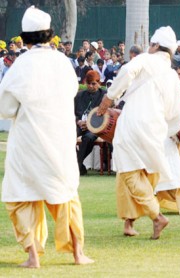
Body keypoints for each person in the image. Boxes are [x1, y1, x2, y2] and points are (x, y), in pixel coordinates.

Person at [0, 6, 93, 268]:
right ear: (49, 34)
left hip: (28, 140)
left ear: (25, 38)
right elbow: (73, 90)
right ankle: (78, 254)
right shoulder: (63, 62)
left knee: (20, 196)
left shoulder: (20, 66)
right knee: (65, 195)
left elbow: (5, 107)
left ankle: (32, 256)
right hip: (60, 137)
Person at [96, 26, 180, 239]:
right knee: (146, 173)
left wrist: (109, 97)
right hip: (157, 128)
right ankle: (129, 222)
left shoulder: (146, 59)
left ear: (154, 45)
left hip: (134, 122)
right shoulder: (173, 75)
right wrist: (165, 128)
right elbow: (175, 111)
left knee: (128, 171)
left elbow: (126, 72)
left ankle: (157, 216)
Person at [74, 70, 107, 175]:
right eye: (88, 84)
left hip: (95, 127)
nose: (91, 86)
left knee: (88, 137)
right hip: (79, 124)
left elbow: (105, 115)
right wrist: (78, 121)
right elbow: (71, 112)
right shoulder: (79, 95)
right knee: (67, 136)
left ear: (99, 83)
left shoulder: (104, 96)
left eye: (93, 84)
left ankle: (77, 164)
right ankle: (79, 166)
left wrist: (89, 124)